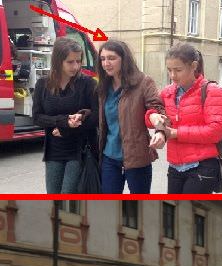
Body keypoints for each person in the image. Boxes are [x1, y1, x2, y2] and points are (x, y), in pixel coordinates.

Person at [148, 43, 222, 194]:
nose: (172, 75)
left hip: (202, 166)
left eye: (178, 70)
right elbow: (152, 111)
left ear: (193, 66)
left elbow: (216, 131)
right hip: (175, 166)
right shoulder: (167, 92)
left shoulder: (212, 91)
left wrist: (176, 133)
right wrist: (154, 119)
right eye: (169, 70)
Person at [96, 39, 164, 194]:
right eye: (103, 59)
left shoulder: (143, 82)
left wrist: (160, 129)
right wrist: (81, 115)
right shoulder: (103, 86)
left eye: (112, 58)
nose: (106, 63)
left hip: (137, 157)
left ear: (124, 59)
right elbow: (98, 114)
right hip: (109, 156)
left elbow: (157, 108)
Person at [31, 37, 97, 193]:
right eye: (70, 62)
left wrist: (69, 129)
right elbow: (37, 117)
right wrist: (63, 121)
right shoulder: (43, 84)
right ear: (58, 61)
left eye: (78, 61)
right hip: (53, 151)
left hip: (79, 150)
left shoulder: (88, 84)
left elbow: (96, 117)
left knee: (68, 196)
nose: (75, 66)